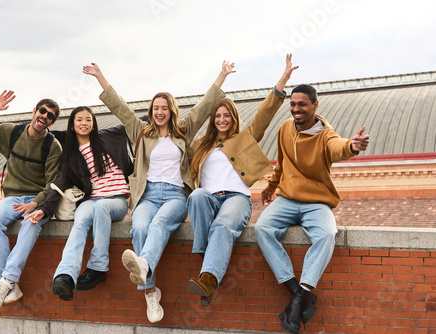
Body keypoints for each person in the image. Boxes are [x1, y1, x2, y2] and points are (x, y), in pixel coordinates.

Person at [83, 61, 234, 323]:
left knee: (160, 224)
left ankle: (144, 268)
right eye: (156, 108)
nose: (160, 112)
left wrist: (222, 75)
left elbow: (205, 105)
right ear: (151, 111)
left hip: (176, 195)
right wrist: (100, 77)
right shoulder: (141, 132)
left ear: (171, 110)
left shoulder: (183, 131)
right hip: (148, 195)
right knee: (140, 228)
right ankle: (150, 292)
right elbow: (119, 107)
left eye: (164, 108)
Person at [254, 83, 370, 334]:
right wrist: (271, 186)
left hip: (317, 202)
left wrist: (353, 146)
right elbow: (281, 163)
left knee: (327, 234)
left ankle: (299, 298)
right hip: (286, 199)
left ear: (315, 105)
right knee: (262, 227)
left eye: (302, 104)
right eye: (293, 104)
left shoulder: (325, 134)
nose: (296, 109)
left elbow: (338, 147)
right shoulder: (285, 128)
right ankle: (296, 291)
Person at [187, 54, 298, 307]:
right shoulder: (200, 147)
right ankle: (211, 262)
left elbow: (265, 113)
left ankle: (208, 278)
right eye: (217, 116)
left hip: (235, 199)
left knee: (224, 225)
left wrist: (283, 80)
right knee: (196, 196)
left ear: (233, 117)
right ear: (212, 120)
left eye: (226, 115)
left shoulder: (245, 137)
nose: (222, 120)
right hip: (208, 200)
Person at [25, 106, 133, 301]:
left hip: (116, 200)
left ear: (93, 123)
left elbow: (135, 121)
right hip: (91, 200)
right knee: (80, 221)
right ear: (72, 126)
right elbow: (59, 183)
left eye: (88, 120)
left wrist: (159, 115)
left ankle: (98, 267)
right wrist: (44, 208)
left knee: (102, 207)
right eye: (79, 120)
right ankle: (64, 277)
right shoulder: (71, 154)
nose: (84, 123)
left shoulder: (109, 137)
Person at [0, 90, 62, 309]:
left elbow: (53, 183)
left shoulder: (53, 146)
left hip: (37, 199)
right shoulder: (12, 133)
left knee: (30, 224)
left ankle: (6, 282)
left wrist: (37, 203)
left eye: (50, 116)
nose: (44, 116)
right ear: (34, 111)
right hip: (12, 197)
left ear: (51, 122)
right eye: (42, 111)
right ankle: (9, 285)